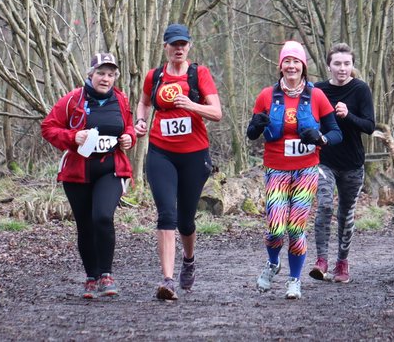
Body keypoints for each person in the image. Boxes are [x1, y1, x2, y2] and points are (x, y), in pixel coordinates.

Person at [245, 40, 342, 299]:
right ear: (280, 66)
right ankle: (273, 263)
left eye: (295, 61)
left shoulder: (317, 96)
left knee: (296, 229)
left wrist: (321, 138)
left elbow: (336, 133)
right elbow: (252, 133)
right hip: (276, 169)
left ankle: (294, 280)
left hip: (306, 170)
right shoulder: (266, 95)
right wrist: (255, 125)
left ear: (303, 67)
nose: (291, 66)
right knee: (276, 228)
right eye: (287, 61)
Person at [134, 23, 223, 300]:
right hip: (161, 152)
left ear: (189, 47)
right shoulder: (155, 76)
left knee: (185, 221)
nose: (179, 49)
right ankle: (168, 279)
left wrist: (191, 105)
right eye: (174, 44)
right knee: (166, 215)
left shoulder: (200, 74)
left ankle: (189, 259)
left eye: (183, 44)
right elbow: (144, 102)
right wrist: (140, 121)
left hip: (195, 155)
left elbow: (217, 113)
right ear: (166, 48)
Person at [41, 53, 136, 299]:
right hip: (78, 171)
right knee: (85, 225)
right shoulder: (73, 99)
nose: (106, 79)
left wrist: (130, 137)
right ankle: (91, 278)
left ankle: (106, 274)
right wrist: (73, 137)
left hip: (110, 167)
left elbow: (127, 127)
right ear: (90, 74)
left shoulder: (121, 99)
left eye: (111, 74)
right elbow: (48, 127)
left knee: (102, 216)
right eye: (101, 73)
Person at [310, 43, 376, 283]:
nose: (342, 68)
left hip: (352, 163)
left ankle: (342, 263)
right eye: (337, 63)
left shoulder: (360, 90)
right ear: (328, 66)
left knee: (346, 213)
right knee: (325, 205)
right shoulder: (317, 90)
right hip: (324, 160)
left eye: (347, 63)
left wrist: (348, 115)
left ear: (352, 66)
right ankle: (321, 261)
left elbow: (369, 126)